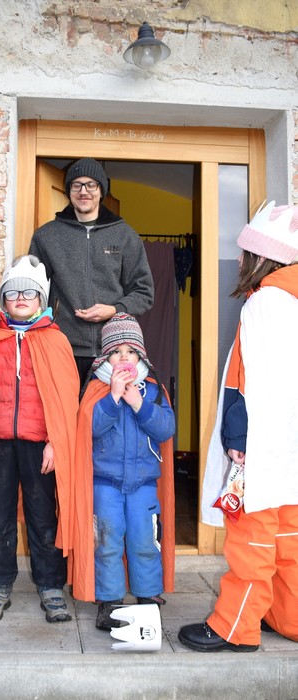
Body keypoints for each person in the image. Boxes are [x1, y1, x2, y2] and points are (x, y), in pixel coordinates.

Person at [178, 201, 298, 652]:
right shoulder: (292, 300)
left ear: (261, 257)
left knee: (251, 537)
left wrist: (237, 438)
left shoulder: (265, 303)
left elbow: (247, 380)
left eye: (245, 252)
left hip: (261, 445)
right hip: (289, 446)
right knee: (288, 536)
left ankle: (235, 627)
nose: (241, 260)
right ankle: (288, 618)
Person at [0, 254, 80, 624]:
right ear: (3, 299)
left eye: (29, 293)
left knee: (42, 515)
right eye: (13, 292)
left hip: (38, 443)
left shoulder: (55, 340)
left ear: (41, 300)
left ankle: (50, 585)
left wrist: (56, 442)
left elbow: (65, 398)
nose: (21, 298)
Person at [70, 313, 175, 630]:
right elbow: (89, 429)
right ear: (105, 357)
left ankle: (148, 594)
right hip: (105, 484)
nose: (124, 357)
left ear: (141, 355)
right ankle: (109, 600)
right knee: (107, 541)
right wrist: (114, 398)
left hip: (143, 484)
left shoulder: (153, 390)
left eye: (130, 351)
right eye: (116, 352)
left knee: (145, 541)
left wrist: (140, 405)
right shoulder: (96, 389)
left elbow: (166, 429)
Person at [29, 158, 154, 387]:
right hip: (61, 349)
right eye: (76, 185)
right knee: (64, 411)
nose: (83, 191)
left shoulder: (125, 236)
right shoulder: (46, 237)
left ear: (101, 190)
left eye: (91, 185)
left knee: (104, 411)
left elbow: (144, 292)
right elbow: (33, 293)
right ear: (68, 191)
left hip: (112, 354)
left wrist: (114, 310)